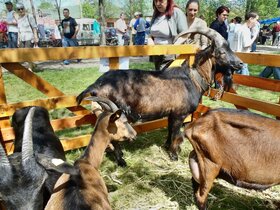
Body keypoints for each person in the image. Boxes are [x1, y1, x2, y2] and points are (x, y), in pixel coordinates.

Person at [148, 0, 187, 71]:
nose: (157, 4)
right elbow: (151, 33)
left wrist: (174, 48)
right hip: (156, 54)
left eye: (161, 0)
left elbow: (185, 34)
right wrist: (150, 39)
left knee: (165, 79)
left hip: (169, 56)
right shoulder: (156, 14)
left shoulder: (177, 12)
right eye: (155, 1)